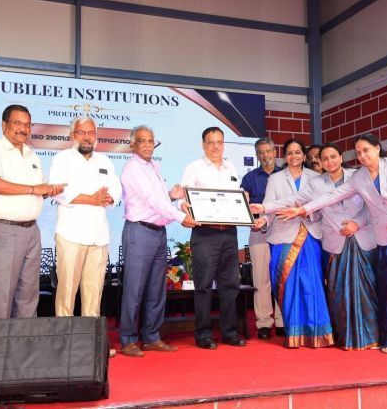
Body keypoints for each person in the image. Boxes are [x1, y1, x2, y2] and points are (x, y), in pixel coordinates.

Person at [253, 133, 387, 355]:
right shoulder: (359, 178)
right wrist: (288, 209)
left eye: (366, 150)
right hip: (384, 239)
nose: (362, 155)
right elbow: (330, 197)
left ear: (377, 148)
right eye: (359, 152)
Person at [0, 104, 64, 320]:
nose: (23, 129)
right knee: (3, 296)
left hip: (31, 231)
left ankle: (24, 341)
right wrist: (34, 189)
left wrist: (50, 190)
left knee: (28, 294)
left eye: (27, 124)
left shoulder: (31, 154)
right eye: (17, 123)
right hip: (4, 230)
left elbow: (38, 190)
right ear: (3, 125)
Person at [120, 125, 199, 357]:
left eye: (150, 141)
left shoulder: (153, 167)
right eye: (142, 141)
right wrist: (181, 216)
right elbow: (152, 201)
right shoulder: (133, 169)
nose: (147, 145)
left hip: (158, 232)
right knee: (135, 289)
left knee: (156, 289)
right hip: (140, 232)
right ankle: (128, 340)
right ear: (132, 145)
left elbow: (160, 200)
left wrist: (173, 197)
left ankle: (151, 336)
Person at [255, 139, 334, 349]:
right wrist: (263, 221)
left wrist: (308, 215)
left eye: (298, 152)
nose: (294, 156)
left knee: (312, 284)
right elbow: (269, 206)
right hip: (283, 236)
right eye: (289, 153)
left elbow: (322, 209)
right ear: (284, 156)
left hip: (309, 235)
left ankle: (317, 333)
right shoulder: (275, 179)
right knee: (288, 285)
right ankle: (294, 333)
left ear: (304, 155)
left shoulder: (316, 177)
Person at [306, 142, 379, 350]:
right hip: (335, 243)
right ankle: (345, 337)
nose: (329, 161)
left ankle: (372, 337)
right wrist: (302, 214)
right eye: (324, 158)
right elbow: (315, 212)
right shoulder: (315, 184)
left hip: (362, 240)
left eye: (333, 157)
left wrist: (357, 223)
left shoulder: (358, 176)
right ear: (320, 162)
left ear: (341, 157)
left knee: (368, 291)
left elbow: (373, 207)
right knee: (338, 292)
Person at [180, 126, 246, 349]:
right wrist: (182, 207)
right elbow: (182, 197)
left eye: (219, 142)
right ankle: (203, 334)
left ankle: (229, 332)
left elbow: (235, 196)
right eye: (211, 142)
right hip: (205, 233)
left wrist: (243, 198)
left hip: (229, 232)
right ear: (203, 145)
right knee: (204, 286)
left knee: (230, 285)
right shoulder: (194, 168)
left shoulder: (231, 167)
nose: (216, 146)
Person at [49, 116, 121, 319]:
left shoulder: (105, 161)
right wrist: (92, 198)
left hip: (99, 236)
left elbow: (116, 191)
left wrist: (108, 197)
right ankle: (64, 336)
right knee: (67, 291)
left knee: (94, 292)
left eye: (91, 133)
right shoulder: (62, 159)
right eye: (82, 132)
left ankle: (91, 336)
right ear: (72, 135)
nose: (87, 137)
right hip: (70, 234)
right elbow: (58, 191)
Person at [240, 137, 284, 339]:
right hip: (258, 230)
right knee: (261, 278)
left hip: (282, 228)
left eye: (268, 151)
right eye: (261, 152)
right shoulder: (249, 178)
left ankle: (282, 321)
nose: (265, 155)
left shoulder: (284, 175)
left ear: (275, 152)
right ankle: (264, 323)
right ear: (257, 155)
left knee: (281, 276)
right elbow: (241, 205)